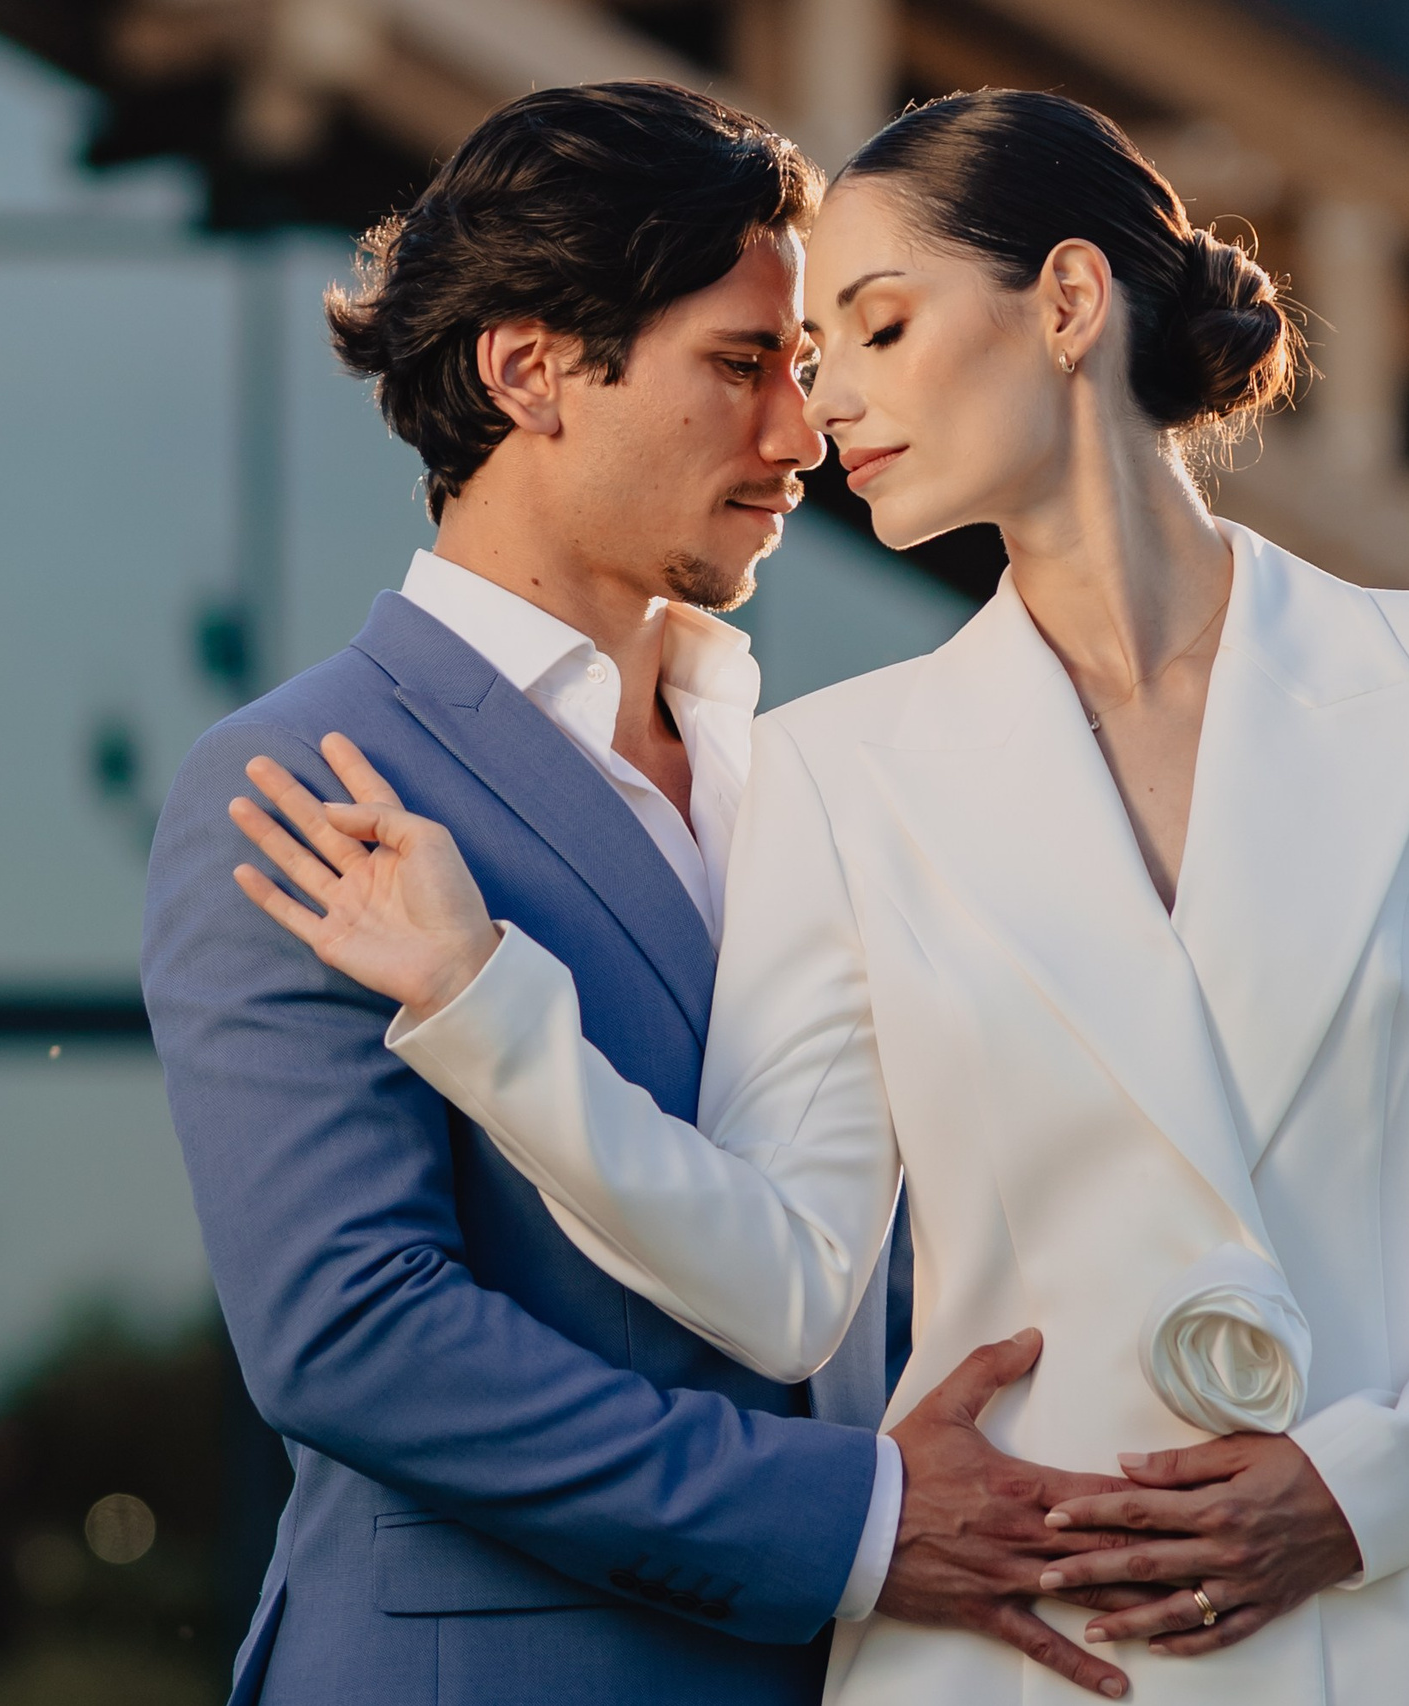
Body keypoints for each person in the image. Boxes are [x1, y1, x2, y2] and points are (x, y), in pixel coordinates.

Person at [232, 90, 1409, 1704]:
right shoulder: (841, 770)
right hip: (1024, 1651)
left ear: (1068, 304)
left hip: (1399, 1630)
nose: (823, 416)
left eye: (870, 331)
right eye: (794, 360)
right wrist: (486, 1007)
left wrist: (1387, 1482)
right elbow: (785, 1279)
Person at [146, 83, 1146, 1706]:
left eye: (806, 372)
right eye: (742, 365)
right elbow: (361, 1335)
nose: (802, 439)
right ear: (529, 367)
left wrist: (1353, 1441)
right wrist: (865, 1520)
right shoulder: (304, 774)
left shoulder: (813, 766)